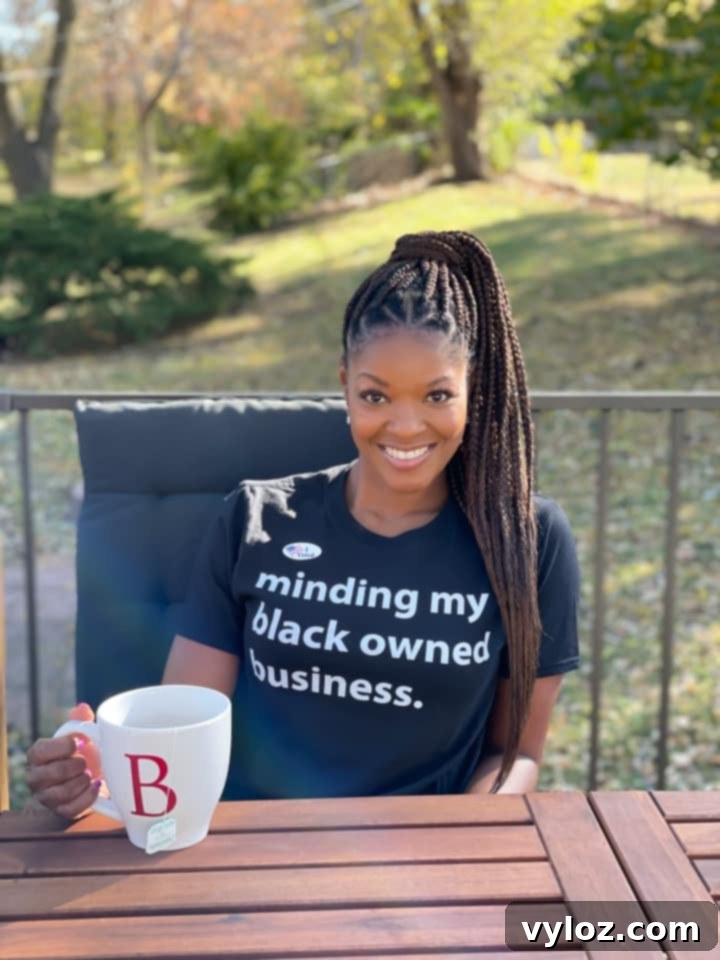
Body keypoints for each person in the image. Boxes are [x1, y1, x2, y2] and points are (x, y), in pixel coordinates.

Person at [25, 229, 580, 819]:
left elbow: (514, 752)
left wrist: (458, 842)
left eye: (438, 396)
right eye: (376, 397)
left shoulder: (528, 542)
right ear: (345, 384)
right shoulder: (254, 519)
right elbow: (180, 730)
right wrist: (94, 774)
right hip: (249, 855)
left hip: (423, 871)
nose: (407, 426)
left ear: (474, 391)